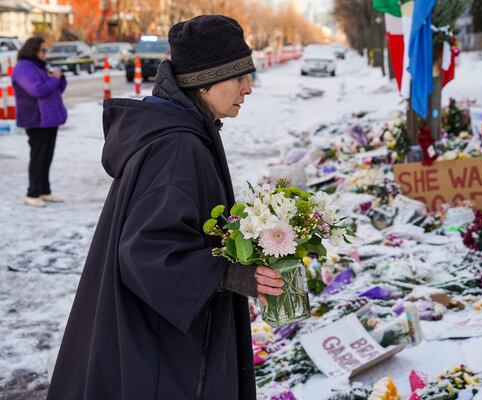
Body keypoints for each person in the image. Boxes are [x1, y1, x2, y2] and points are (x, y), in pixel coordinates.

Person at [46, 15, 284, 400]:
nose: (248, 88)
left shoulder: (185, 131)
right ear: (204, 82)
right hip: (162, 351)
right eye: (239, 76)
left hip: (159, 338)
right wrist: (226, 274)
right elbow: (146, 251)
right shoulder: (177, 147)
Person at [12, 36, 67, 207]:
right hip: (36, 119)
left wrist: (59, 78)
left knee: (46, 157)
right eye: (43, 50)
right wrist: (53, 79)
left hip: (49, 119)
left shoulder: (39, 66)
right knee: (38, 156)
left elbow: (56, 89)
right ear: (33, 50)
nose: (45, 53)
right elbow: (37, 90)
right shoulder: (23, 68)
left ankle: (44, 191)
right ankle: (32, 193)